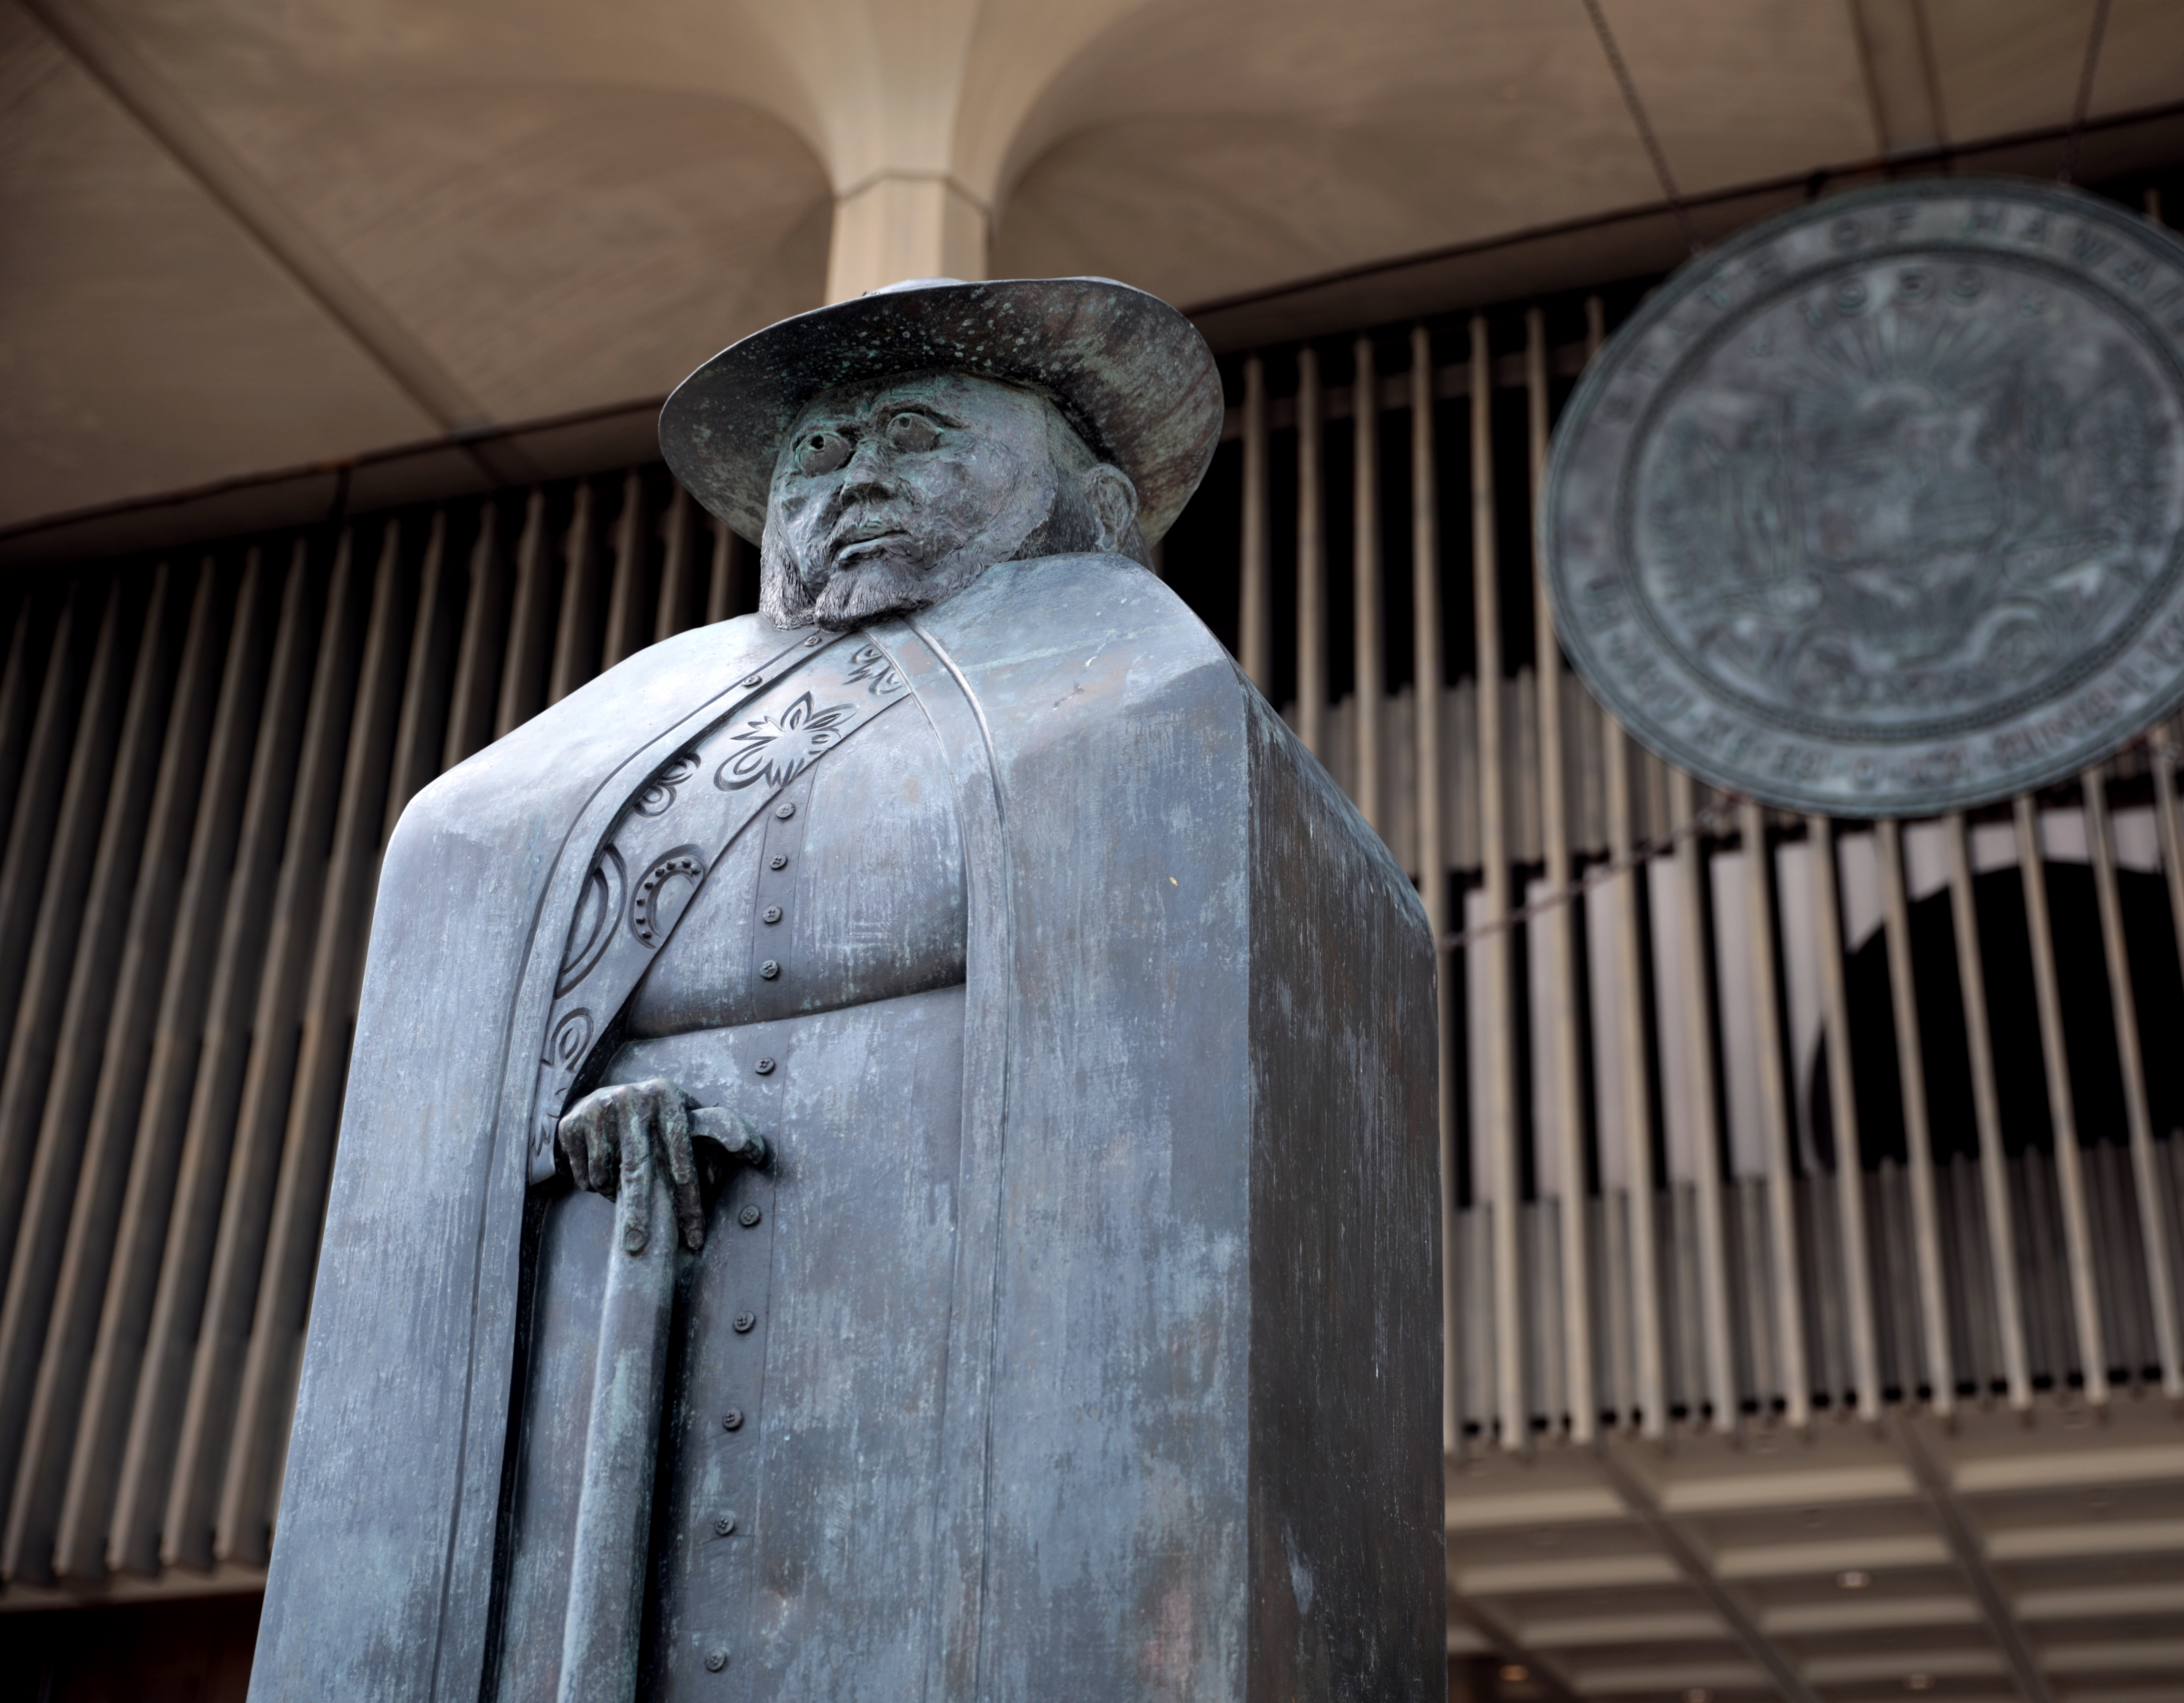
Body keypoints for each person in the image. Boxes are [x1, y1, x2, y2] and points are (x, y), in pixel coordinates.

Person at [251, 279, 1441, 1703]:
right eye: (821, 452)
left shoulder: (1146, 701)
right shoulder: (630, 719)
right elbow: (467, 909)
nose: (860, 473)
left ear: (1100, 503)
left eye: (921, 435)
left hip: (950, 1373)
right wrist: (567, 1125)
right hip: (606, 1355)